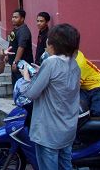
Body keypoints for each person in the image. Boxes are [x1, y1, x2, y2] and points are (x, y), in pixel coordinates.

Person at [19, 24, 81, 170]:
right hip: (67, 128)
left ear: (53, 45)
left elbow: (31, 93)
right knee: (65, 165)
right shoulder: (74, 63)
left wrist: (26, 77)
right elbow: (59, 83)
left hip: (49, 132)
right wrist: (42, 73)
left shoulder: (51, 62)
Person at [76, 50, 100, 117]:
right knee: (78, 111)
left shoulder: (78, 62)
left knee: (98, 112)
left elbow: (71, 86)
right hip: (84, 90)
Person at [7, 8, 33, 87]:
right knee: (15, 86)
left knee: (22, 86)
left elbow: (21, 47)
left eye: (16, 17)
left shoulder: (23, 31)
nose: (13, 19)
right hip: (14, 64)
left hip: (22, 66)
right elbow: (12, 43)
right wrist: (8, 56)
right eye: (13, 17)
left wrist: (15, 62)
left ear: (22, 19)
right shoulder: (16, 29)